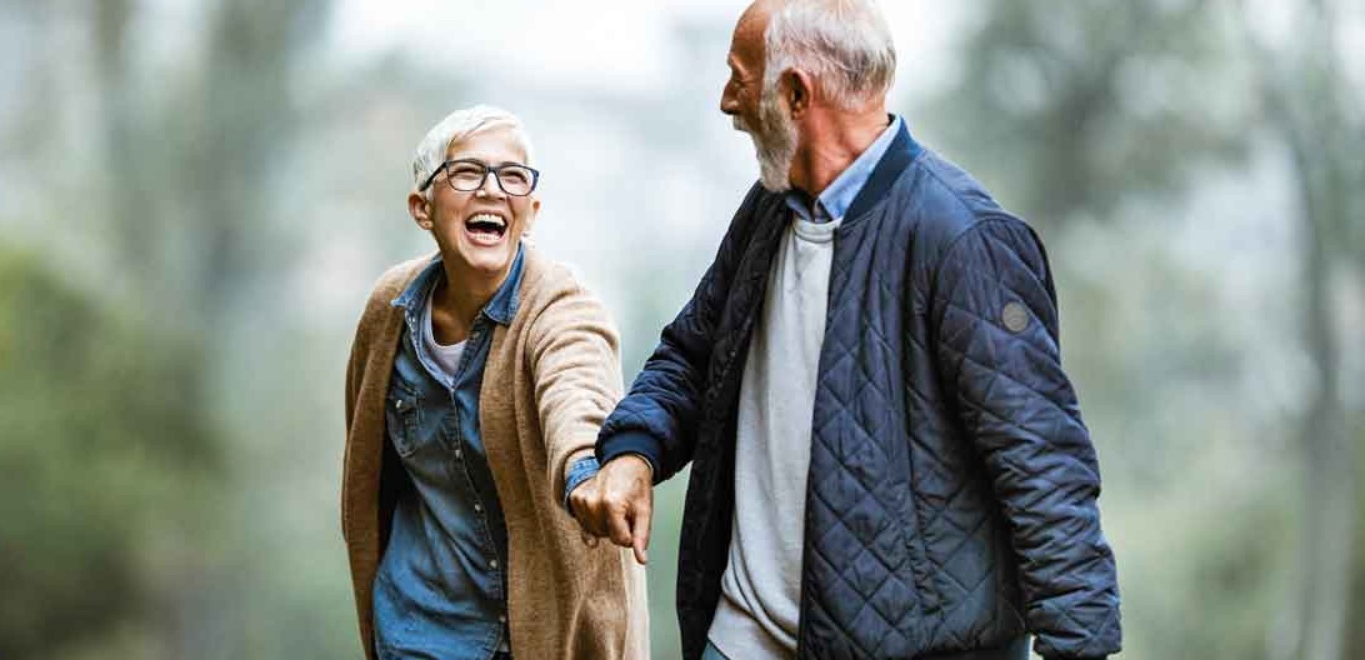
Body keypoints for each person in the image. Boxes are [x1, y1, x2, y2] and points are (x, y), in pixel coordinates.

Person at [568, 2, 1122, 659]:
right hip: (742, 637)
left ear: (797, 93)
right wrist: (635, 452)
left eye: (739, 79)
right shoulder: (767, 210)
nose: (726, 103)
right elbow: (693, 356)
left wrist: (1077, 647)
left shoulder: (964, 239)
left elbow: (1043, 473)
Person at [341, 105, 649, 660]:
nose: (491, 190)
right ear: (422, 207)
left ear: (530, 212)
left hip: (541, 636)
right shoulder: (388, 312)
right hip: (417, 632)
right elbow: (367, 474)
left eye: (512, 176)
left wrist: (586, 466)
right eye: (466, 173)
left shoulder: (561, 306)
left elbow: (577, 393)